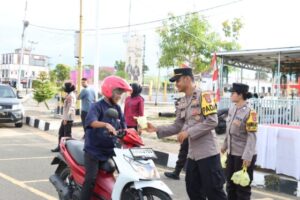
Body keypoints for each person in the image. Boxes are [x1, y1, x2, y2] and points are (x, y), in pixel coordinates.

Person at [145, 67, 227, 200]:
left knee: (215, 193)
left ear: (187, 79)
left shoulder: (204, 96)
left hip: (208, 154)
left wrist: (188, 132)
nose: (176, 84)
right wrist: (157, 129)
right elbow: (178, 125)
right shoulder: (182, 101)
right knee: (193, 191)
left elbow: (212, 121)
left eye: (177, 80)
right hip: (193, 155)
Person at [80, 75, 132, 200]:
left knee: (126, 172)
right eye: (118, 92)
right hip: (94, 150)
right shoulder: (96, 106)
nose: (120, 96)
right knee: (90, 179)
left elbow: (123, 126)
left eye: (121, 93)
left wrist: (132, 132)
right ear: (110, 90)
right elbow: (91, 122)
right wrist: (106, 124)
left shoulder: (117, 108)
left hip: (109, 149)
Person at [221, 83, 257, 200]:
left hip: (243, 155)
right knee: (230, 185)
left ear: (240, 95)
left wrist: (248, 156)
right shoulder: (233, 108)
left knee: (242, 188)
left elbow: (252, 137)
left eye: (233, 93)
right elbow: (229, 130)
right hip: (231, 153)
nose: (230, 95)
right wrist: (225, 145)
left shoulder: (250, 112)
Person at [51, 82, 76, 152]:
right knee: (61, 133)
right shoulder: (69, 94)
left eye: (65, 87)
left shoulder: (71, 96)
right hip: (65, 118)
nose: (64, 88)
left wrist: (66, 119)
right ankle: (60, 147)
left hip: (68, 119)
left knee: (67, 135)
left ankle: (69, 150)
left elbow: (72, 107)